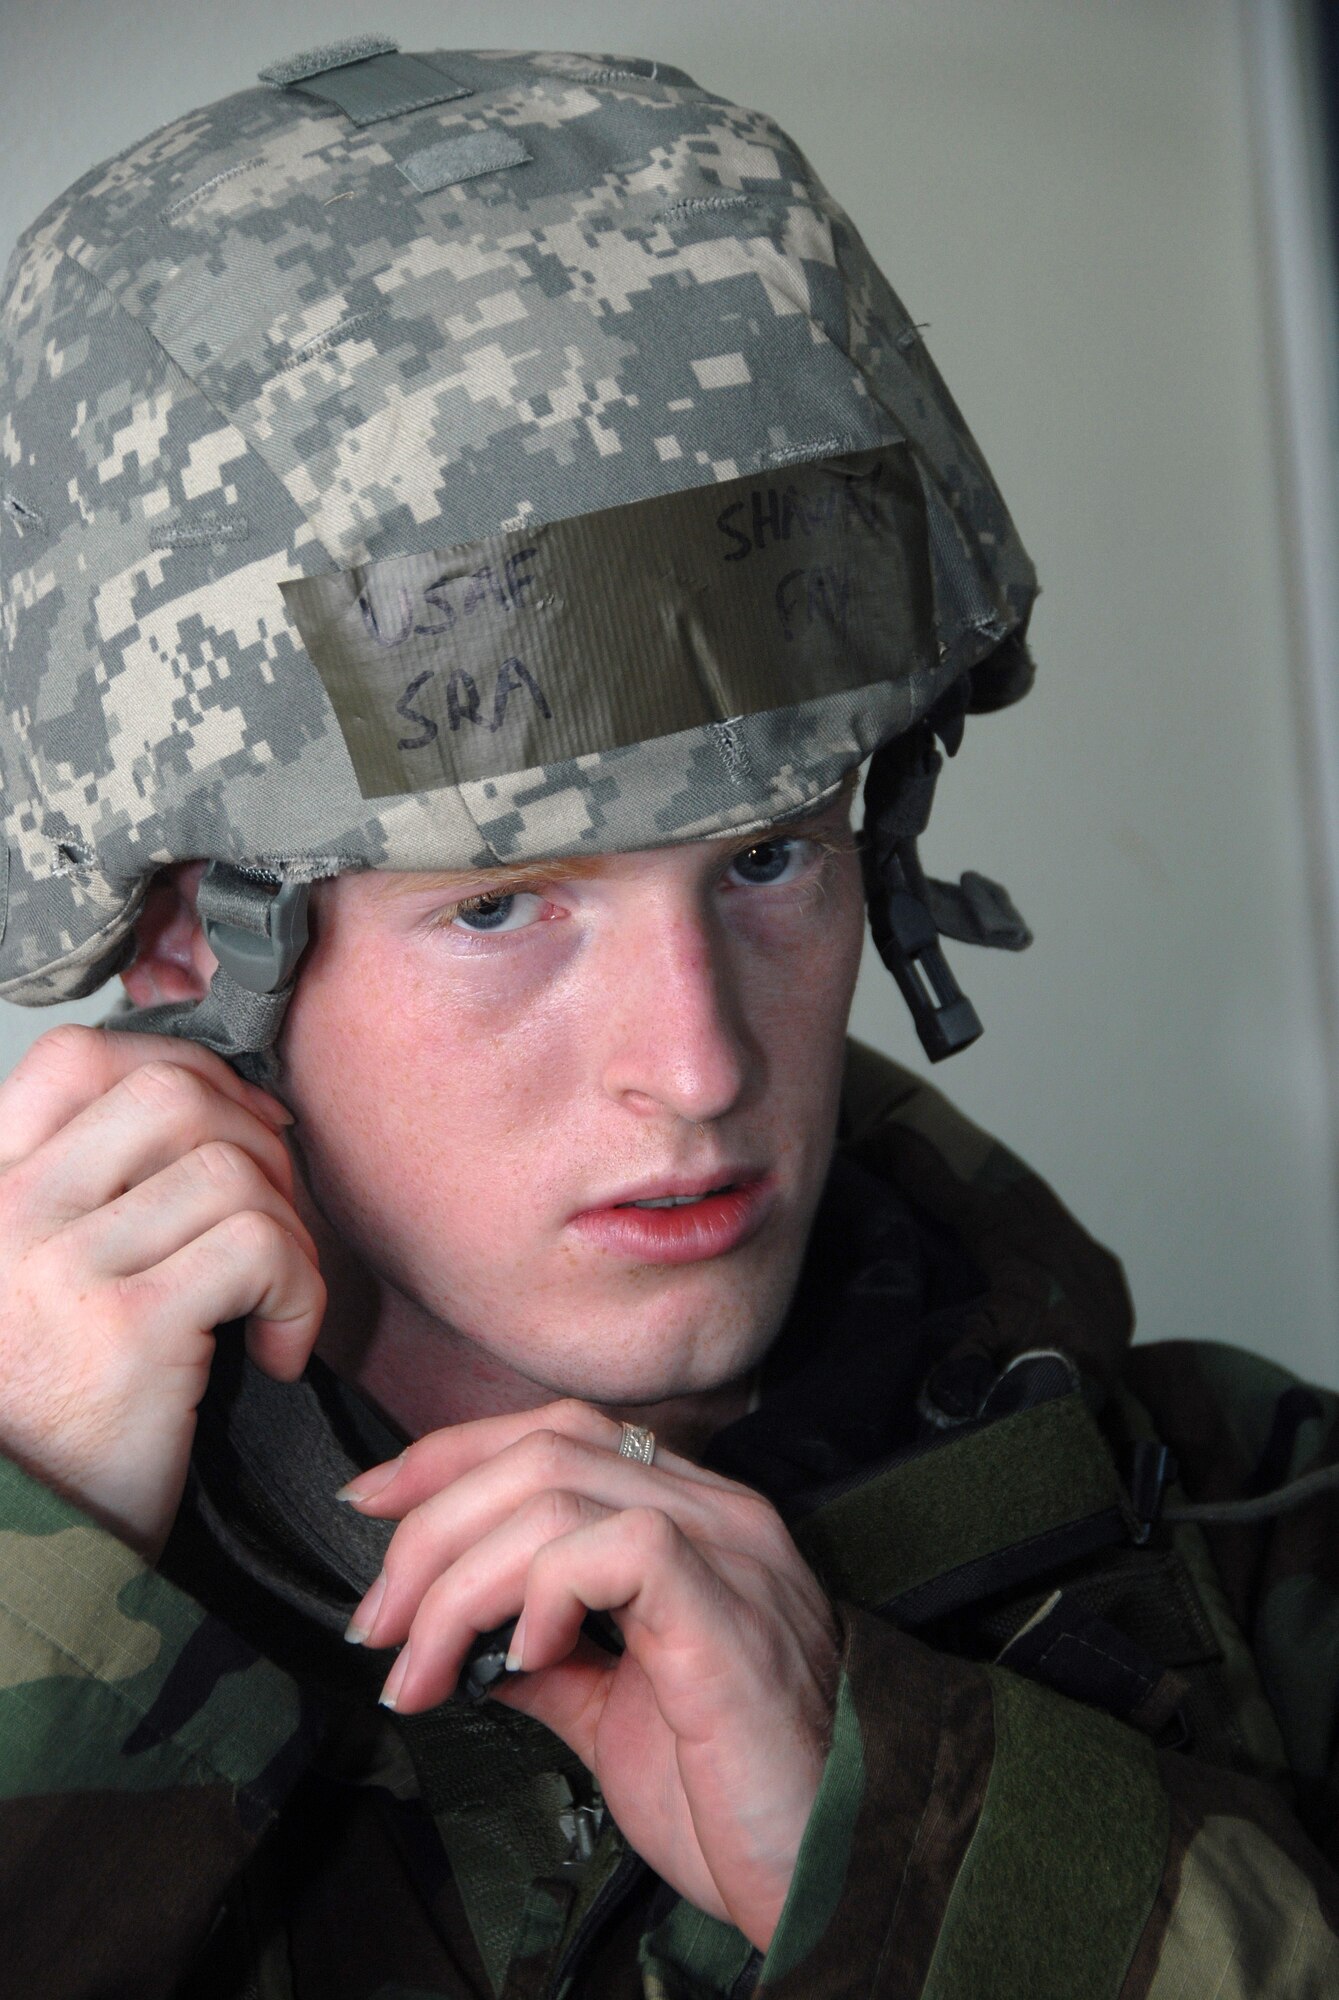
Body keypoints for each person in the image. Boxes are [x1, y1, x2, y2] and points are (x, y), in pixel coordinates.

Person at [0, 37, 1336, 1998]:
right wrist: (40, 1602)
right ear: (194, 937)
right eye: (507, 903)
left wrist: (930, 1858)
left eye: (770, 858)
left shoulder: (1258, 1537)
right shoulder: (48, 1563)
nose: (701, 1065)